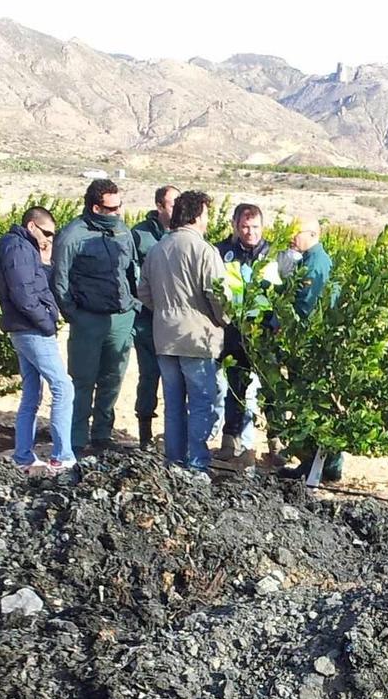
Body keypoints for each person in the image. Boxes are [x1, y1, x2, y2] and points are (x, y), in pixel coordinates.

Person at [138, 189, 229, 475]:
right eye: (206, 214)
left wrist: (164, 311)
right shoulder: (204, 251)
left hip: (165, 337)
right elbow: (219, 296)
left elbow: (143, 291)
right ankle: (197, 465)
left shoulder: (157, 249)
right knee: (201, 403)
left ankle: (173, 464)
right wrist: (223, 320)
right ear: (198, 215)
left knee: (173, 404)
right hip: (197, 339)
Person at [49, 178, 138, 455]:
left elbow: (131, 270)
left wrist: (133, 305)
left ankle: (102, 435)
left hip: (120, 318)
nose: (118, 213)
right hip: (87, 319)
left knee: (113, 379)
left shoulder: (122, 231)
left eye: (119, 207)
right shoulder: (73, 235)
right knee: (83, 380)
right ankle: (75, 439)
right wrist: (75, 315)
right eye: (111, 209)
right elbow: (60, 282)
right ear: (96, 208)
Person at [0, 206, 74, 473]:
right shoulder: (18, 249)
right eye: (47, 232)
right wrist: (47, 321)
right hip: (30, 329)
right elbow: (24, 294)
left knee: (32, 393)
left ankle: (23, 456)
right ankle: (62, 456)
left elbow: (34, 284)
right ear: (31, 226)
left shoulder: (21, 247)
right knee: (63, 387)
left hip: (22, 328)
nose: (50, 238)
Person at [276, 218, 342, 482]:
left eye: (296, 232)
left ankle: (319, 464)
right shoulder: (310, 259)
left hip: (309, 344)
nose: (292, 237)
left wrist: (280, 319)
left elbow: (305, 306)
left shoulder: (315, 262)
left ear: (313, 234)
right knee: (316, 404)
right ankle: (323, 464)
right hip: (311, 344)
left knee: (311, 404)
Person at [215, 202, 271, 466]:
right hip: (233, 333)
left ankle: (275, 443)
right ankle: (231, 440)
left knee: (269, 391)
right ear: (235, 226)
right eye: (245, 226)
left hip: (264, 334)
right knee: (235, 388)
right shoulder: (221, 252)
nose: (251, 232)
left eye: (255, 227)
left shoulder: (272, 254)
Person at [130, 184, 177, 448]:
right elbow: (134, 277)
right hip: (148, 319)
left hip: (175, 322)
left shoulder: (184, 234)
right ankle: (145, 435)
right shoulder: (141, 235)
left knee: (176, 380)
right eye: (172, 203)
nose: (177, 208)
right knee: (149, 376)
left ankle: (173, 437)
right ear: (159, 206)